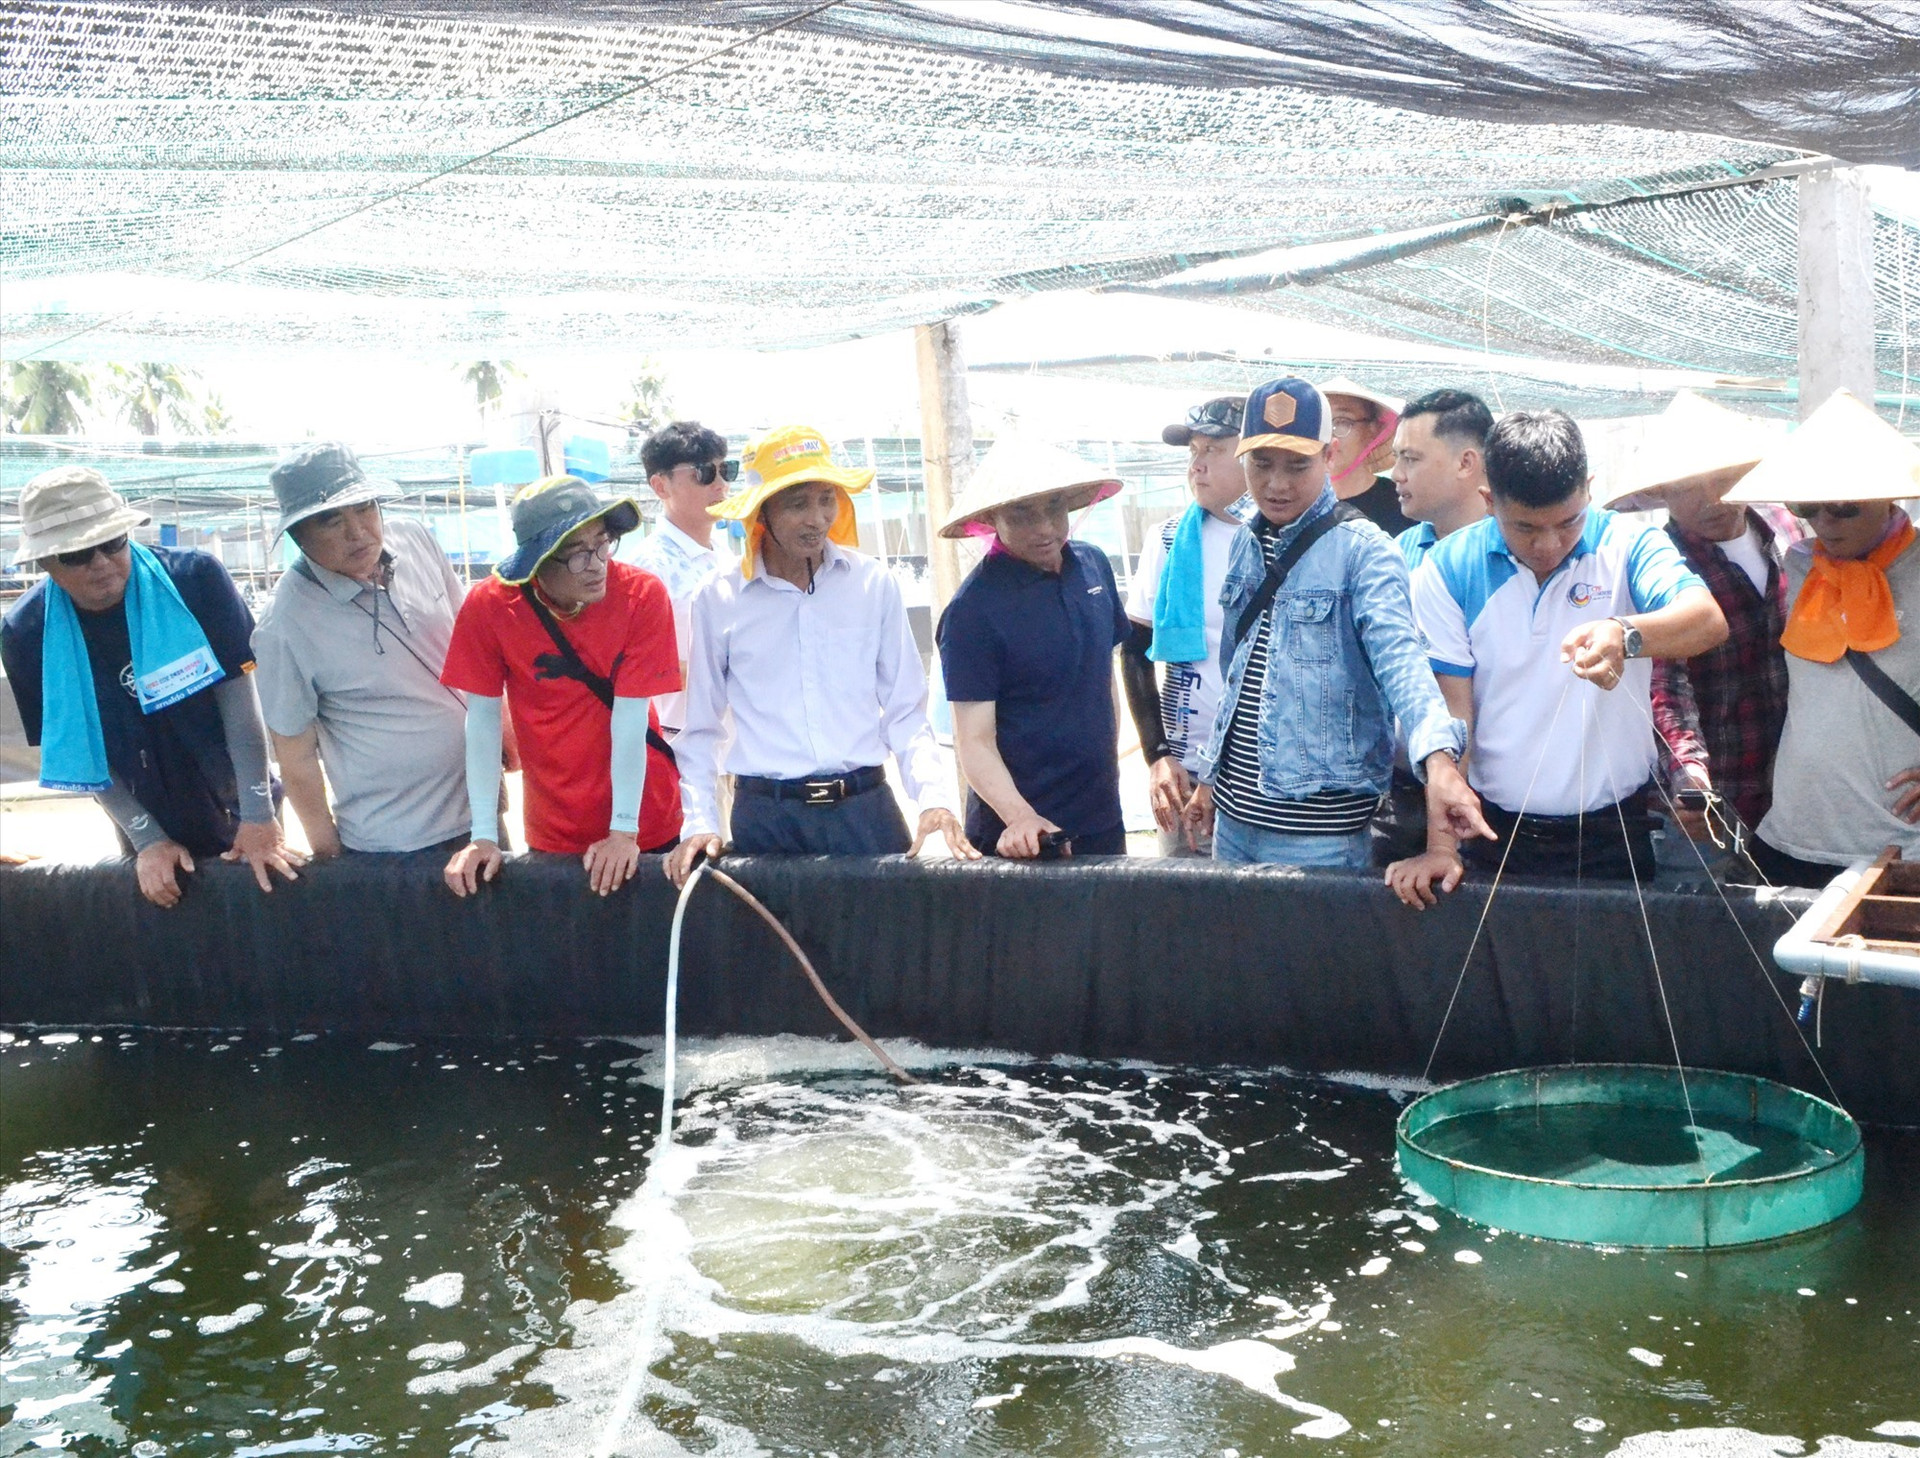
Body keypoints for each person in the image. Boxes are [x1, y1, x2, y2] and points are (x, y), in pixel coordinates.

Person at [1404, 409, 1728, 899]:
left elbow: (1706, 620)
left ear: (1590, 489)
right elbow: (1454, 713)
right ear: (1490, 501)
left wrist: (1625, 635)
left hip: (1613, 831)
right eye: (1526, 528)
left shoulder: (1629, 543)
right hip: (1493, 833)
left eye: (1567, 521)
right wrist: (1442, 846)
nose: (1548, 544)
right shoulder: (1448, 568)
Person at [1177, 377, 1489, 873]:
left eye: (1297, 465)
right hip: (1234, 823)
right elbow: (1239, 672)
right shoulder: (1244, 541)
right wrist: (1212, 779)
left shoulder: (1364, 551)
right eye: (1262, 463)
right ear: (1243, 458)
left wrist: (1439, 763)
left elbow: (1403, 665)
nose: (1277, 483)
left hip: (1317, 836)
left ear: (1329, 455)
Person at [663, 426, 973, 885]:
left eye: (826, 499)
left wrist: (934, 798)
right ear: (761, 512)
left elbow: (907, 710)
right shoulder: (719, 597)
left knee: (884, 952)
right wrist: (699, 822)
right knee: (779, 955)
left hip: (865, 811)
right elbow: (700, 728)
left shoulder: (873, 584)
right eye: (796, 503)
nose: (816, 518)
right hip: (767, 820)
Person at [0, 466, 302, 907]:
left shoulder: (196, 580)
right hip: (141, 811)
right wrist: (147, 839)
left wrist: (258, 815)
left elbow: (240, 706)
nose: (101, 563)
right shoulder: (26, 633)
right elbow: (83, 751)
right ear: (44, 562)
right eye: (77, 554)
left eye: (112, 543)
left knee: (263, 911)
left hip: (238, 795)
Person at [441, 475, 682, 897]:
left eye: (602, 544)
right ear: (536, 561)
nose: (596, 564)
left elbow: (629, 716)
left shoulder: (642, 594)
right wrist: (483, 834)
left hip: (646, 820)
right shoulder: (490, 606)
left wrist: (624, 830)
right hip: (554, 829)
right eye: (575, 554)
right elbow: (480, 721)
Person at [1716, 390, 1920, 886]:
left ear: (1887, 494)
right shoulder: (1799, 564)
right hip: (1793, 833)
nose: (1824, 522)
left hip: (1899, 847)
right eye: (1808, 505)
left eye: (1844, 507)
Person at [251, 442, 473, 858]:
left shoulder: (416, 540)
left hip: (479, 814)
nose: (358, 532)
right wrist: (330, 857)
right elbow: (295, 755)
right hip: (396, 841)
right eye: (332, 520)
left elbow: (471, 643)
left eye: (365, 508)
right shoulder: (283, 624)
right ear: (298, 536)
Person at [1601, 392, 1799, 846]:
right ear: (1660, 492)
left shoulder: (1790, 533)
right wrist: (1688, 772)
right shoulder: (1660, 567)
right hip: (1710, 799)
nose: (1712, 499)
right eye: (1689, 487)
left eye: (1725, 479)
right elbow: (1666, 684)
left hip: (1795, 790)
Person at [938, 438, 1131, 858]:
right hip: (1019, 836)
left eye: (1054, 507)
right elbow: (974, 740)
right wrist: (1020, 817)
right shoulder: (973, 610)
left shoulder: (1093, 564)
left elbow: (1104, 679)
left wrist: (1107, 766)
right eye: (1023, 512)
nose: (1044, 527)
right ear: (992, 518)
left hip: (1101, 816)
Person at [1121, 396, 1249, 855]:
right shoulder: (1171, 539)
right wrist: (1157, 753)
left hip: (1268, 778)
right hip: (1185, 771)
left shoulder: (1291, 542)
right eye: (1193, 452)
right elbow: (1135, 650)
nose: (1197, 465)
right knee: (1183, 915)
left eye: (1214, 450)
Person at [629, 420, 740, 740]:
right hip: (680, 749)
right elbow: (638, 667)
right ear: (660, 486)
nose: (720, 484)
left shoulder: (727, 558)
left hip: (736, 748)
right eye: (704, 472)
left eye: (726, 470)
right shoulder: (647, 569)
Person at [1392, 388, 1493, 569]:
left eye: (1410, 458)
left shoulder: (1516, 549)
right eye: (1396, 457)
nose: (1396, 475)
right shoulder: (1399, 551)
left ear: (1465, 463)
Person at [1320, 377, 1415, 537]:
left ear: (1373, 430)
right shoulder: (1297, 501)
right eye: (1322, 422)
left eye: (1343, 422)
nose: (1330, 436)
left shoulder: (1402, 502)